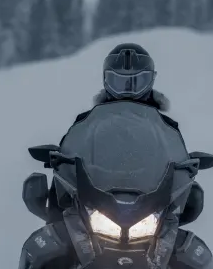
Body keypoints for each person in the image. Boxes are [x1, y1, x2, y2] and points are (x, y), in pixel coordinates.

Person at [46, 43, 204, 225]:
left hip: (149, 210)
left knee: (190, 251)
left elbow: (175, 161)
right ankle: (55, 227)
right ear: (106, 81)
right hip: (95, 205)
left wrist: (186, 167)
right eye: (119, 82)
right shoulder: (88, 123)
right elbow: (69, 157)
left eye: (138, 81)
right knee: (51, 240)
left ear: (151, 81)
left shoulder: (165, 128)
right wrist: (60, 159)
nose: (128, 89)